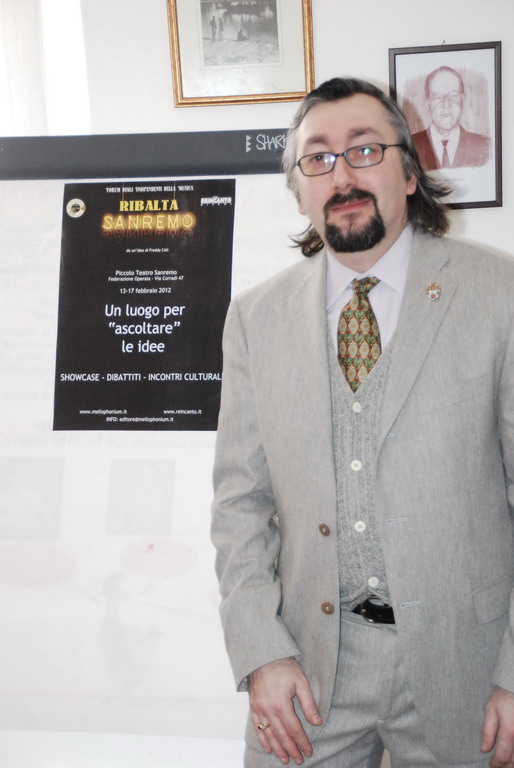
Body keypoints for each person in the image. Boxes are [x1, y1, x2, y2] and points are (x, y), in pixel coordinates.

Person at [211, 77, 514, 767]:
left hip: (467, 666)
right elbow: (239, 503)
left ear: (408, 172)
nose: (342, 175)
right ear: (299, 191)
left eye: (364, 150)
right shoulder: (255, 317)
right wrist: (261, 651)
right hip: (308, 667)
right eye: (317, 158)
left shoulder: (500, 296)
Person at [411, 66, 490, 170]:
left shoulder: (484, 147)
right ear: (428, 103)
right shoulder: (410, 146)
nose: (446, 104)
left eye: (453, 95)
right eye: (438, 97)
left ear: (462, 99)